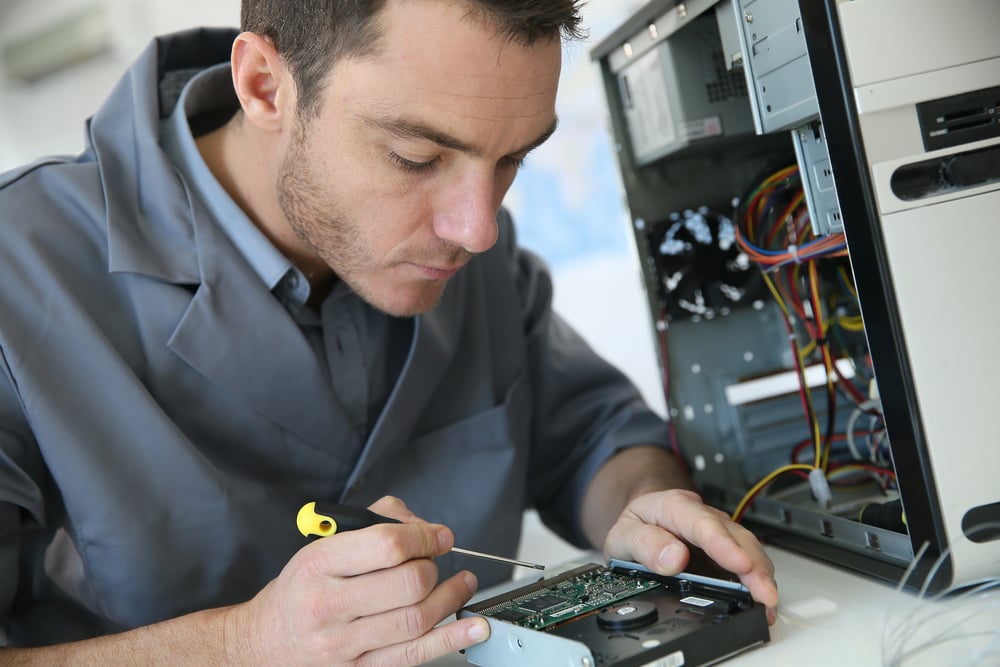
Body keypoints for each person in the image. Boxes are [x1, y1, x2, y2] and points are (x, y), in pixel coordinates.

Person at [0, 0, 778, 663]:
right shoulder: (20, 272)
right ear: (265, 87)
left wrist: (645, 507)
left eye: (511, 160)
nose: (476, 228)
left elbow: (593, 439)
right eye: (416, 156)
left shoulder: (468, 247)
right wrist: (242, 643)